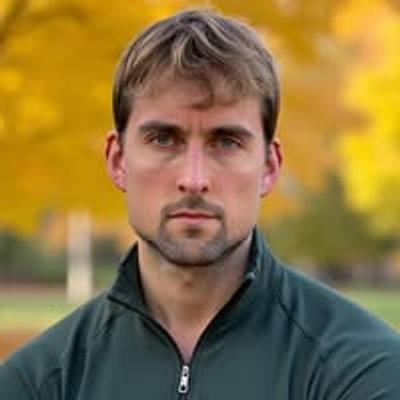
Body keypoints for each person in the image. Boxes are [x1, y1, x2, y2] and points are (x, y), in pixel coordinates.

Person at [1, 8, 399, 400]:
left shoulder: (363, 372)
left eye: (226, 142)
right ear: (118, 160)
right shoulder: (40, 383)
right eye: (163, 139)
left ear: (269, 166)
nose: (193, 179)